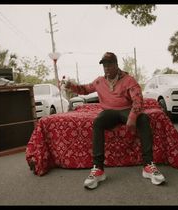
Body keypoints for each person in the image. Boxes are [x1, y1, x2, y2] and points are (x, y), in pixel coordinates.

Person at [64, 52, 165, 189]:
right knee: (98, 122)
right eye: (104, 65)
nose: (106, 68)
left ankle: (148, 166)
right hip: (109, 112)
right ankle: (98, 169)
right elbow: (85, 89)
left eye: (110, 64)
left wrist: (132, 118)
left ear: (116, 65)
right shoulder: (99, 81)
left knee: (144, 119)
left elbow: (138, 100)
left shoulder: (129, 79)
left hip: (126, 110)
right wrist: (72, 86)